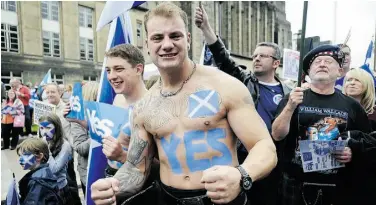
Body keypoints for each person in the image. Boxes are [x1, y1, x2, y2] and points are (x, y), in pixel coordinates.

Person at [91, 3, 277, 205]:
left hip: (222, 199)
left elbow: (264, 146)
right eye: (157, 38)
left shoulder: (225, 86)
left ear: (188, 39)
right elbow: (137, 168)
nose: (167, 44)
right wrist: (113, 185)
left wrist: (242, 175)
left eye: (175, 36)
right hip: (167, 198)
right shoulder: (144, 107)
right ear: (147, 44)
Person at [195, 5, 290, 205]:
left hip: (276, 161)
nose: (256, 59)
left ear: (276, 63)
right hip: (245, 157)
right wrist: (206, 29)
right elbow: (223, 58)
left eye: (262, 56)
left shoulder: (289, 92)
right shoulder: (244, 81)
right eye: (254, 55)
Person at [272, 44, 372, 205]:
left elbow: (366, 142)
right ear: (309, 72)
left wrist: (352, 152)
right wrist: (290, 106)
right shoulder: (293, 98)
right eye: (317, 62)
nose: (322, 64)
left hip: (337, 186)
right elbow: (277, 134)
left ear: (340, 71)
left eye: (328, 61)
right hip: (295, 183)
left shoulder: (352, 106)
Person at [38, 113, 74, 204]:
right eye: (41, 128)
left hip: (59, 189)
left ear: (56, 128)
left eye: (48, 128)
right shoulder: (43, 141)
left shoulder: (65, 146)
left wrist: (46, 150)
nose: (44, 132)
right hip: (45, 187)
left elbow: (54, 169)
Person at [71, 81, 99, 195]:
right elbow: (80, 148)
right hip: (89, 174)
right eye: (97, 97)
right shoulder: (78, 118)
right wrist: (100, 134)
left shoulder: (104, 114)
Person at [16, 137, 63, 205]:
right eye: (19, 156)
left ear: (39, 156)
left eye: (24, 156)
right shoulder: (45, 172)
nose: (20, 160)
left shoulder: (38, 182)